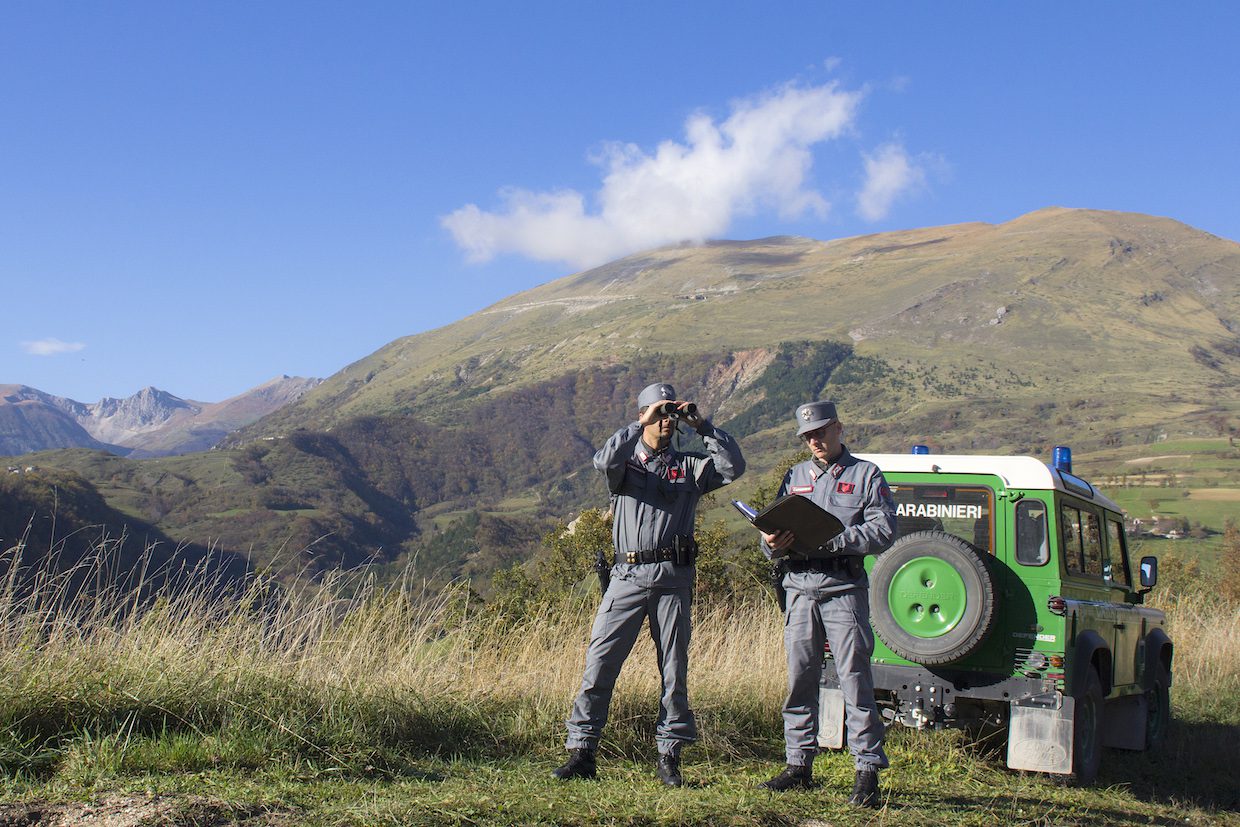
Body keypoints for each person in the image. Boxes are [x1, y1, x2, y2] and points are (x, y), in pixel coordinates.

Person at [553, 382, 746, 787]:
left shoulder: (691, 467)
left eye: (669, 414)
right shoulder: (626, 466)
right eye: (657, 414)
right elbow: (602, 461)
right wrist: (637, 423)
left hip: (672, 580)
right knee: (599, 664)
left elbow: (732, 468)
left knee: (674, 672)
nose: (665, 421)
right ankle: (582, 752)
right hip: (625, 577)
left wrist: (703, 425)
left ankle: (669, 757)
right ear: (642, 415)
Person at [757, 400, 896, 808]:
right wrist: (770, 544)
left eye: (820, 432)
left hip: (843, 587)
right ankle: (799, 764)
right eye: (807, 436)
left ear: (838, 428)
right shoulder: (795, 475)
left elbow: (884, 528)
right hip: (798, 587)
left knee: (854, 677)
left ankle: (866, 770)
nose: (814, 441)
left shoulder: (866, 474)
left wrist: (836, 540)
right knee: (799, 677)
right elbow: (774, 524)